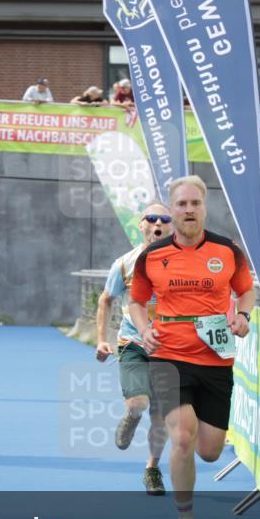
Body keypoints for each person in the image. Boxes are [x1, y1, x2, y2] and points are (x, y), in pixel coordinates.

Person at [128, 175, 254, 519]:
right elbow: (136, 301)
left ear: (204, 206)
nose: (187, 210)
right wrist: (143, 328)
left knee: (209, 450)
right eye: (180, 204)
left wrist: (243, 317)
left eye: (194, 204)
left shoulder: (227, 250)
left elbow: (246, 291)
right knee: (182, 436)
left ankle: (194, 456)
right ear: (172, 209)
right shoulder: (152, 255)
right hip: (168, 356)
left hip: (215, 360)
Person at [96, 206, 175, 496]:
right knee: (139, 404)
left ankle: (152, 469)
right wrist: (101, 339)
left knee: (162, 414)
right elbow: (106, 300)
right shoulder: (125, 264)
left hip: (171, 347)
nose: (158, 223)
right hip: (133, 343)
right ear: (140, 226)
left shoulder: (184, 263)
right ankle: (131, 416)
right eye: (151, 219)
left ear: (172, 227)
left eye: (164, 220)